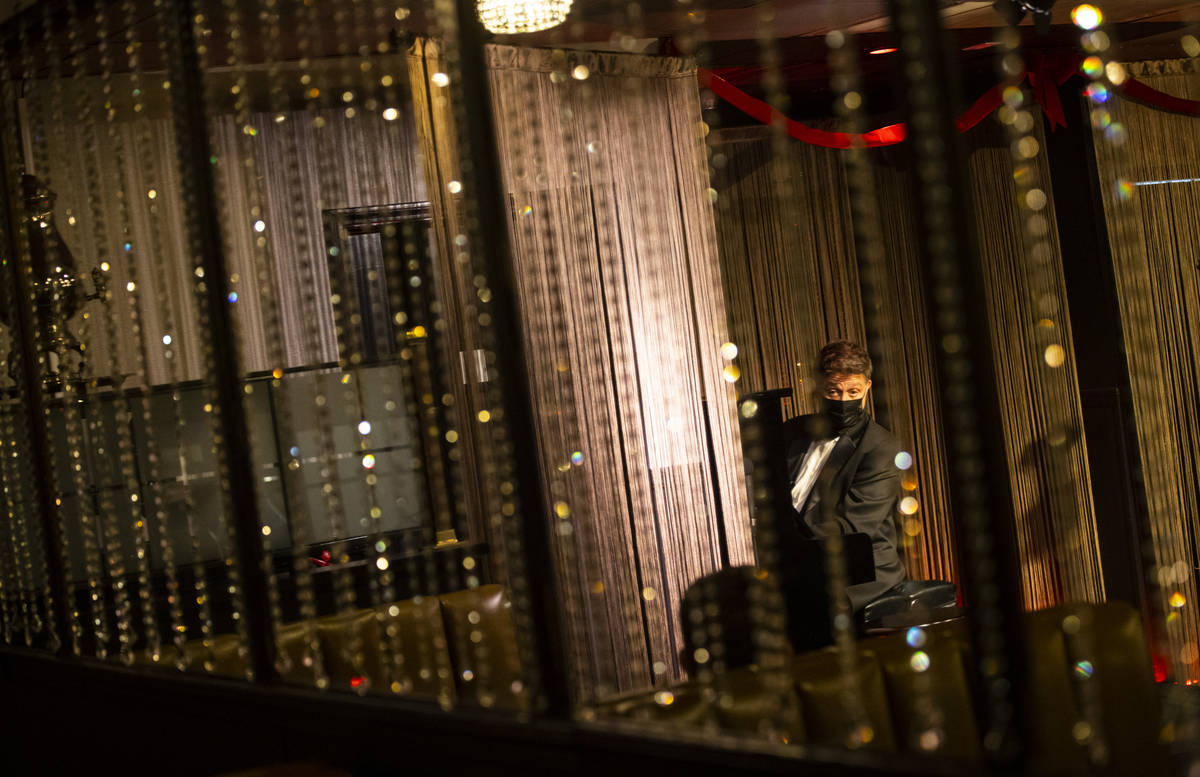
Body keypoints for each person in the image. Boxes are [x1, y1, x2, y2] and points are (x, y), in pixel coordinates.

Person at [781, 339, 906, 611]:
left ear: (867, 389)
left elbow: (853, 525)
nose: (843, 400)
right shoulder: (790, 432)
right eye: (833, 391)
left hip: (862, 574)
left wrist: (786, 544)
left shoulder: (881, 447)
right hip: (800, 561)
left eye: (853, 392)